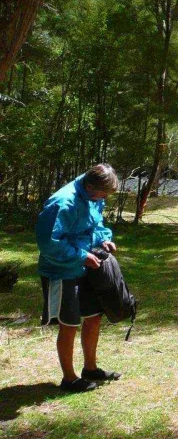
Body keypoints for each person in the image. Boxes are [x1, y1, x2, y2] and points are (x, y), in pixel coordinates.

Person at [35, 164, 122, 393]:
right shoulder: (63, 202)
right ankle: (69, 378)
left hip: (87, 265)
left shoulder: (93, 195)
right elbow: (48, 244)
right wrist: (81, 256)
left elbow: (96, 224)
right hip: (61, 270)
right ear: (90, 185)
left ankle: (90, 369)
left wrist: (103, 239)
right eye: (102, 195)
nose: (103, 199)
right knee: (69, 324)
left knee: (93, 317)